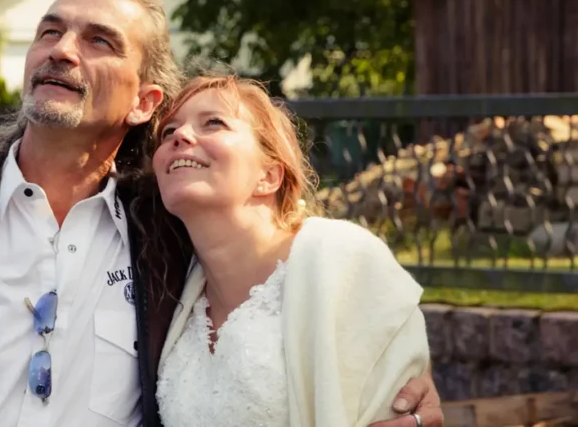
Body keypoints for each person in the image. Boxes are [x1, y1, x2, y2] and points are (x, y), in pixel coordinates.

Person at [0, 0, 442, 427]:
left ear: (144, 102)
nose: (62, 50)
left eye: (98, 40)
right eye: (50, 31)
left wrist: (402, 386)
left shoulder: (169, 238)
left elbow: (288, 300)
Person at [144, 74, 434, 427]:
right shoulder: (173, 293)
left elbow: (398, 397)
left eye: (214, 123)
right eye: (168, 131)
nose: (180, 136)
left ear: (269, 175)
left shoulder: (343, 260)